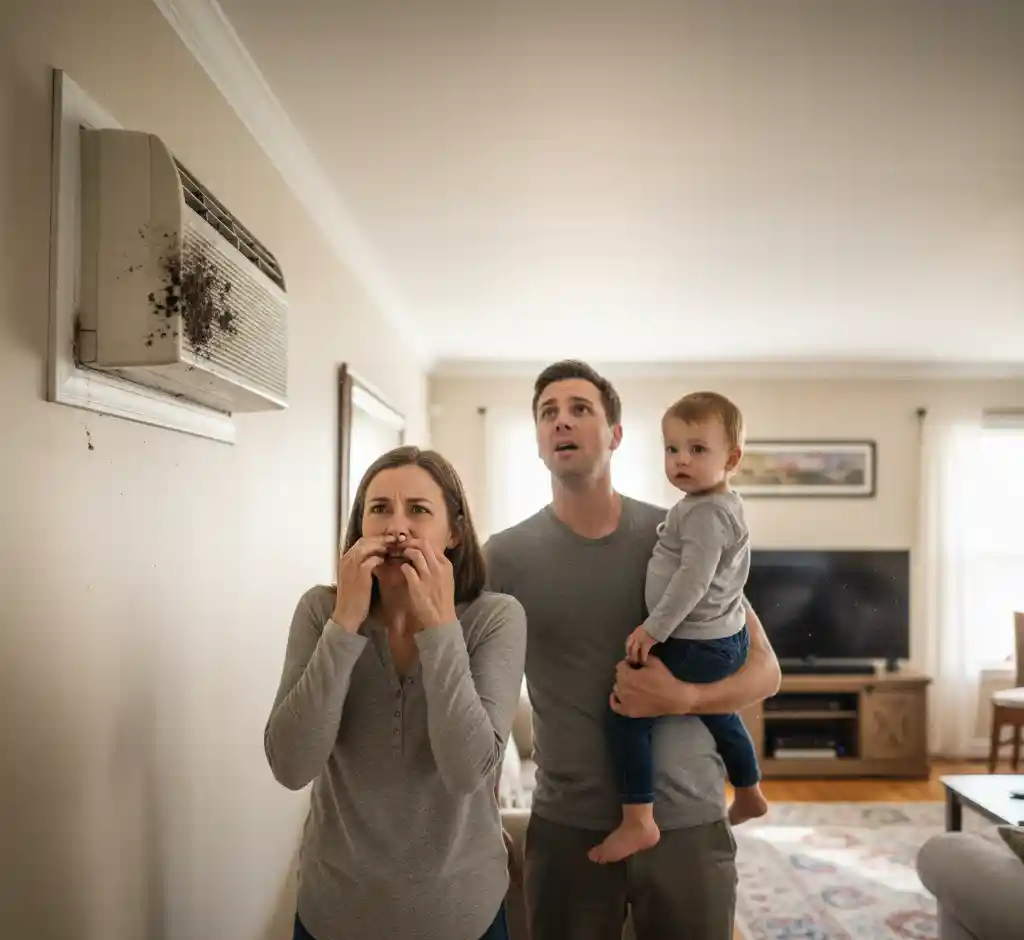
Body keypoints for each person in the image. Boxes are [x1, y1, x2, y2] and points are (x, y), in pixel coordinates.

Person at [484, 360, 781, 940]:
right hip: (568, 829)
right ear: (539, 442)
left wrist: (685, 697)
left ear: (616, 435)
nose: (562, 421)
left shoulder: (680, 531)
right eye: (548, 413)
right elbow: (479, 700)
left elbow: (765, 670)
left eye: (580, 409)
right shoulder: (504, 557)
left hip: (689, 822)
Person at [265, 446, 527, 940]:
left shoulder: (495, 618)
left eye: (418, 510)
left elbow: (467, 772)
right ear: (360, 525)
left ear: (454, 532)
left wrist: (440, 625)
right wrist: (345, 623)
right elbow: (291, 766)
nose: (396, 528)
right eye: (380, 509)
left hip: (462, 918)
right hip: (334, 917)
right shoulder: (320, 611)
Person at [590, 390, 767, 866]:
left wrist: (653, 629)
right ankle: (748, 790)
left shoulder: (706, 514)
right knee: (719, 711)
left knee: (627, 712)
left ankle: (638, 819)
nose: (681, 460)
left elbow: (694, 580)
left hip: (695, 640)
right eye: (672, 449)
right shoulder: (714, 504)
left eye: (697, 449)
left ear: (731, 459)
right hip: (723, 637)